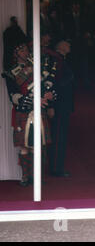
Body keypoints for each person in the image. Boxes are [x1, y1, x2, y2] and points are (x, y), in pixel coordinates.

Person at [2, 40, 54, 186]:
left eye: (26, 50)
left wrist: (47, 96)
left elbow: (45, 85)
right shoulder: (11, 73)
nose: (26, 53)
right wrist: (33, 101)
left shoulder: (37, 67)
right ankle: (25, 176)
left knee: (39, 143)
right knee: (24, 145)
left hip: (39, 110)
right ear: (16, 53)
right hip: (23, 111)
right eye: (23, 50)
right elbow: (14, 96)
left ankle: (37, 175)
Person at [48, 40, 74, 177]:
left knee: (60, 135)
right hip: (59, 104)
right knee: (58, 136)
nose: (69, 45)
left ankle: (57, 166)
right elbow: (52, 84)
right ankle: (56, 168)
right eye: (67, 43)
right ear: (60, 46)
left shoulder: (60, 59)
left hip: (63, 104)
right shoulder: (56, 60)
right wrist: (51, 106)